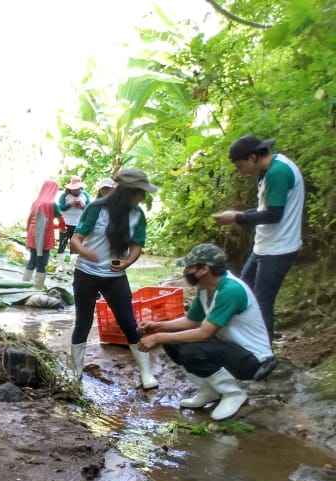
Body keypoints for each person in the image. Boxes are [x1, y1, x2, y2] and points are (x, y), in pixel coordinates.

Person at [137, 244, 276, 421]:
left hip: (252, 359)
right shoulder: (205, 289)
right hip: (229, 349)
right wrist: (158, 326)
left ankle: (233, 394)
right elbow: (190, 321)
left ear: (204, 269)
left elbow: (205, 333)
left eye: (189, 267)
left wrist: (157, 337)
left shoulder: (230, 290)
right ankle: (210, 389)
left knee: (192, 352)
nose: (186, 271)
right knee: (172, 342)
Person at [68, 168, 159, 389]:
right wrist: (85, 252)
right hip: (86, 273)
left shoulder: (137, 215)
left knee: (128, 322)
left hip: (114, 275)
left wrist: (127, 262)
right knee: (83, 322)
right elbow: (76, 239)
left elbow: (136, 246)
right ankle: (75, 372)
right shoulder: (97, 208)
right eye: (140, 193)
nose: (143, 198)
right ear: (128, 192)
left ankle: (146, 374)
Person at [213, 135, 304, 341]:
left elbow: (273, 215)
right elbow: (267, 208)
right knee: (245, 288)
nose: (241, 172)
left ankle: (264, 353)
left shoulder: (277, 173)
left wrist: (236, 217)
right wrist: (240, 213)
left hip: (278, 249)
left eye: (241, 166)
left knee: (262, 301)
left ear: (253, 157)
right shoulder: (269, 171)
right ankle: (246, 339)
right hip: (265, 246)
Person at [23, 179, 60, 290]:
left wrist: (28, 235)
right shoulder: (51, 204)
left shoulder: (36, 202)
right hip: (43, 237)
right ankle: (38, 288)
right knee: (42, 264)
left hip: (33, 233)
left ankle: (24, 285)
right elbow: (57, 220)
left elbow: (30, 219)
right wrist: (61, 227)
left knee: (32, 261)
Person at [56, 175, 89, 256]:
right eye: (74, 189)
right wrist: (70, 204)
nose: (75, 190)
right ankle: (60, 265)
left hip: (78, 225)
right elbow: (60, 208)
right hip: (65, 224)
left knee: (75, 246)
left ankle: (73, 265)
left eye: (77, 188)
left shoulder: (85, 195)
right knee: (62, 244)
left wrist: (82, 206)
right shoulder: (64, 195)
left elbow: (89, 209)